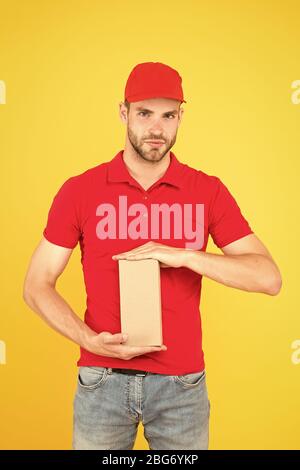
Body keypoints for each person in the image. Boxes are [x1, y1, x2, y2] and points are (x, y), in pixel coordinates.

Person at [23, 62, 282, 450]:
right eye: (144, 113)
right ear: (123, 112)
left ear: (181, 117)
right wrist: (89, 340)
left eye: (169, 115)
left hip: (182, 386)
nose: (157, 129)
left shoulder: (206, 191)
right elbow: (36, 285)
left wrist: (187, 256)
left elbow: (268, 278)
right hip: (102, 380)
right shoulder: (80, 190)